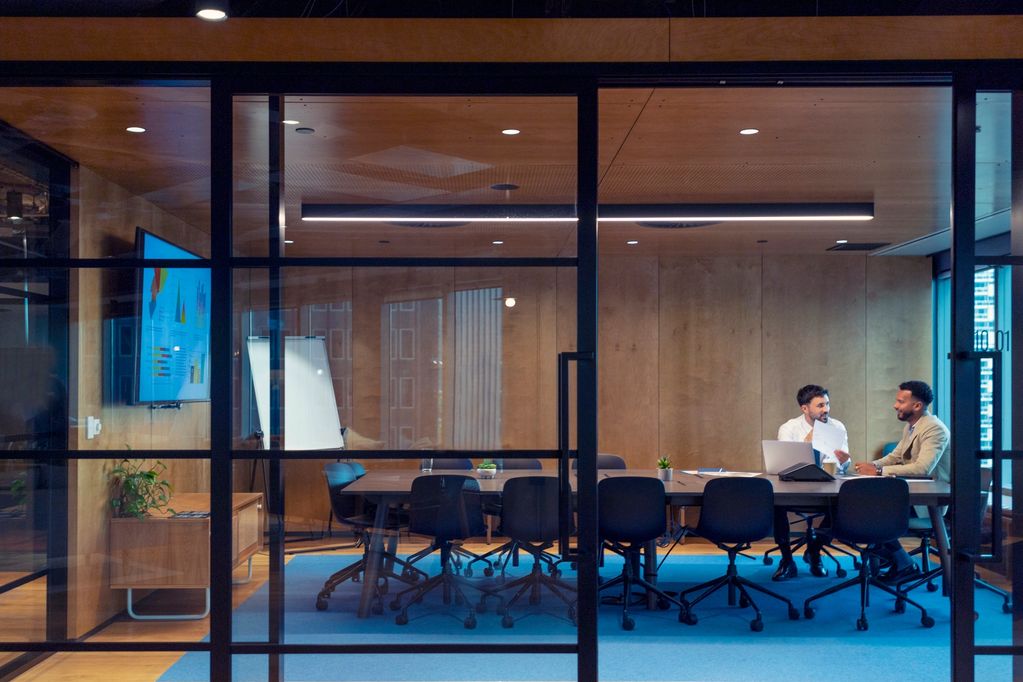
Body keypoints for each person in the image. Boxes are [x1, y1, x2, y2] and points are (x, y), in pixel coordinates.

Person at [845, 380, 949, 584]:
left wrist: (878, 472)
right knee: (865, 505)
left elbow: (922, 468)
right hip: (912, 494)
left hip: (929, 501)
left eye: (900, 401)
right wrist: (869, 466)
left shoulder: (934, 429)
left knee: (872, 511)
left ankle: (902, 563)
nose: (895, 405)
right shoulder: (912, 427)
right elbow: (895, 456)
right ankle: (890, 557)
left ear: (917, 406)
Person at [772, 384, 849, 581]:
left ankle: (814, 550)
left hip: (826, 488)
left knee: (844, 504)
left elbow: (843, 466)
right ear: (805, 408)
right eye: (820, 405)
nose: (826, 410)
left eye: (827, 404)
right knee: (774, 503)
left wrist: (844, 460)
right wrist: (809, 441)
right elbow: (784, 465)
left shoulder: (837, 427)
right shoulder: (789, 428)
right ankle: (787, 560)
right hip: (792, 488)